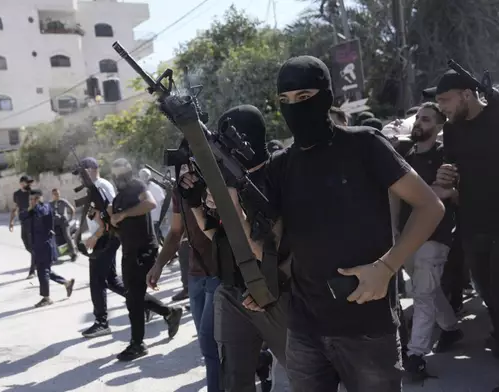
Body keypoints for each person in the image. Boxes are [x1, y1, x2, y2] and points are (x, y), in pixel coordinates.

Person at [245, 56, 444, 392]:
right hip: (305, 328)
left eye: (304, 97)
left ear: (325, 96)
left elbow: (429, 206)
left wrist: (387, 267)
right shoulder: (280, 166)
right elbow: (270, 248)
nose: (293, 107)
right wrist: (237, 204)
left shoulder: (364, 144)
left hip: (366, 325)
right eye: (284, 100)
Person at [180, 105, 290, 392]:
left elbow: (268, 251)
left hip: (278, 294)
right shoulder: (229, 182)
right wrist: (195, 203)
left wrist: (233, 206)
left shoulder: (275, 179)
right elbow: (217, 235)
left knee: (299, 375)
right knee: (233, 379)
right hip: (234, 293)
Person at [433, 69, 499, 392]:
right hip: (473, 227)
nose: (440, 106)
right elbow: (453, 177)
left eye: (445, 99)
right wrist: (445, 180)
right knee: (493, 303)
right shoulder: (452, 131)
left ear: (466, 95)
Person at [399, 102, 463, 380]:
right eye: (417, 119)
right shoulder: (403, 156)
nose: (418, 123)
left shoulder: (446, 155)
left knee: (422, 293)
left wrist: (439, 192)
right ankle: (450, 328)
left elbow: (450, 193)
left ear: (438, 126)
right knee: (429, 289)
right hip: (406, 236)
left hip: (435, 236)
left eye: (425, 119)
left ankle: (415, 357)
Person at [146, 164, 221, 392]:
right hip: (196, 277)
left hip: (221, 274)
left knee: (210, 342)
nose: (184, 169)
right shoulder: (180, 192)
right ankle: (258, 363)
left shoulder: (218, 182)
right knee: (208, 345)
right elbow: (176, 231)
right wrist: (158, 263)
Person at [76, 157, 166, 338]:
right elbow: (104, 213)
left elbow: (143, 205)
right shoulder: (105, 191)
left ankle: (105, 323)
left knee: (101, 282)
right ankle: (156, 309)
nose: (80, 177)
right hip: (115, 242)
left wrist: (99, 234)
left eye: (82, 172)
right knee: (114, 283)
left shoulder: (114, 186)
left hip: (124, 243)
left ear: (93, 169)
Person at [109, 158, 183, 361]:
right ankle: (169, 312)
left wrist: (122, 215)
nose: (119, 178)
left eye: (121, 173)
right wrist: (111, 219)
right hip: (129, 251)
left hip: (144, 250)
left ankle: (137, 343)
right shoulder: (117, 198)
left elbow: (150, 203)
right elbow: (118, 230)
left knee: (134, 297)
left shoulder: (137, 186)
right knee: (133, 295)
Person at [23, 189, 75, 308]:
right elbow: (23, 216)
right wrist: (30, 210)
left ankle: (46, 298)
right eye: (30, 199)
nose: (32, 201)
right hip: (37, 245)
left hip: (45, 245)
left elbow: (41, 212)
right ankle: (66, 283)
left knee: (43, 271)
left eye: (34, 199)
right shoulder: (32, 210)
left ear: (39, 198)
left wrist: (34, 207)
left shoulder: (45, 207)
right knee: (45, 270)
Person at [9, 175, 36, 279]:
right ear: (21, 183)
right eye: (26, 182)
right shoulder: (16, 194)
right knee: (26, 243)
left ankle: (32, 271)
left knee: (32, 245)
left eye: (29, 183)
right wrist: (11, 221)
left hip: (32, 221)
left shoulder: (32, 193)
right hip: (23, 222)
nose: (29, 184)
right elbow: (14, 208)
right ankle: (37, 257)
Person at [50, 188, 78, 261]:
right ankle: (54, 254)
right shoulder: (50, 204)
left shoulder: (63, 201)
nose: (57, 195)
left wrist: (70, 219)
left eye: (58, 193)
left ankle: (74, 253)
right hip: (55, 223)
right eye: (55, 194)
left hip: (64, 222)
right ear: (52, 195)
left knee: (67, 236)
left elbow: (72, 209)